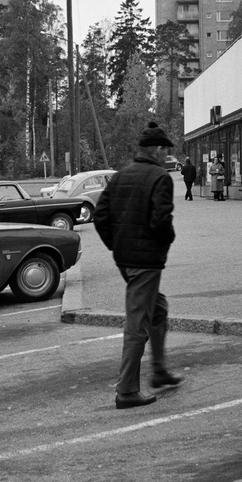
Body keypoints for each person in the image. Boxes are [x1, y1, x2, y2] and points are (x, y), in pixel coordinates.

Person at [94, 121, 183, 409]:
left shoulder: (120, 176)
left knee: (159, 309)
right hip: (146, 263)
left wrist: (116, 246)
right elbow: (161, 221)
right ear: (156, 150)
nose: (167, 155)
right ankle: (127, 390)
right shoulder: (160, 178)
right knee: (138, 325)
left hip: (126, 261)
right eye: (166, 150)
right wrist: (165, 243)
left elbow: (100, 216)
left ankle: (158, 371)